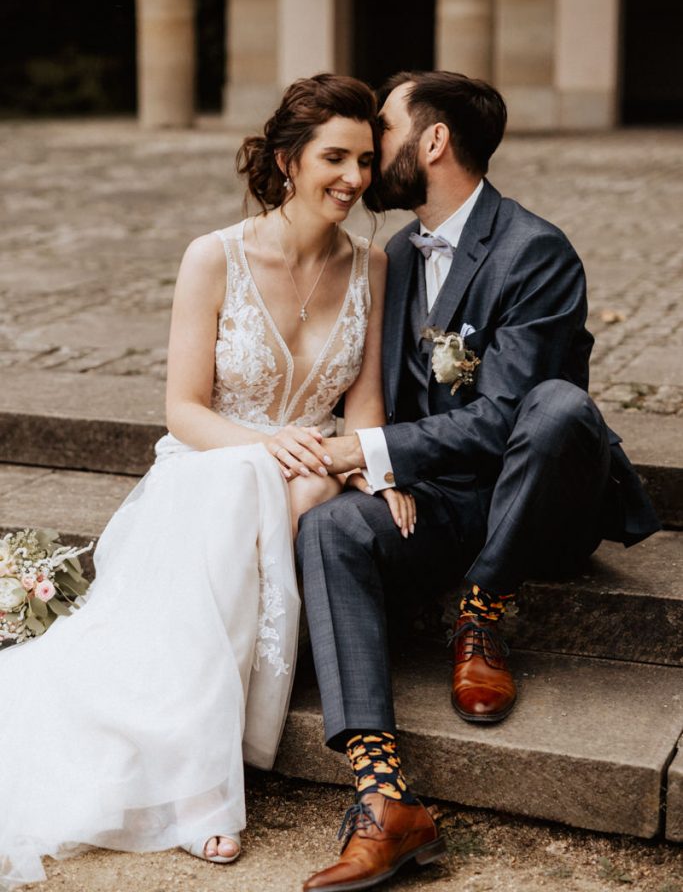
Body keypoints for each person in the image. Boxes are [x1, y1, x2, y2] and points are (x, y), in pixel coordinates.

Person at [0, 74, 416, 890]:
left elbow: (364, 405)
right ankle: (199, 783)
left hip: (312, 475)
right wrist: (267, 453)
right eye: (335, 157)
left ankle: (206, 770)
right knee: (243, 490)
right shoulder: (214, 255)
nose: (355, 179)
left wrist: (374, 466)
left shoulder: (371, 264)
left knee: (292, 493)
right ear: (288, 160)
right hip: (212, 465)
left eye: (366, 161)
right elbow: (184, 411)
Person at [296, 71, 660, 892]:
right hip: (443, 502)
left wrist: (370, 451)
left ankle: (481, 606)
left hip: (537, 500)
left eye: (381, 131)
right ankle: (384, 795)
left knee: (560, 406)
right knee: (327, 529)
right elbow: (383, 393)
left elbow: (502, 420)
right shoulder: (394, 253)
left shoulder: (535, 250)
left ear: (432, 142)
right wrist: (373, 474)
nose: (366, 152)